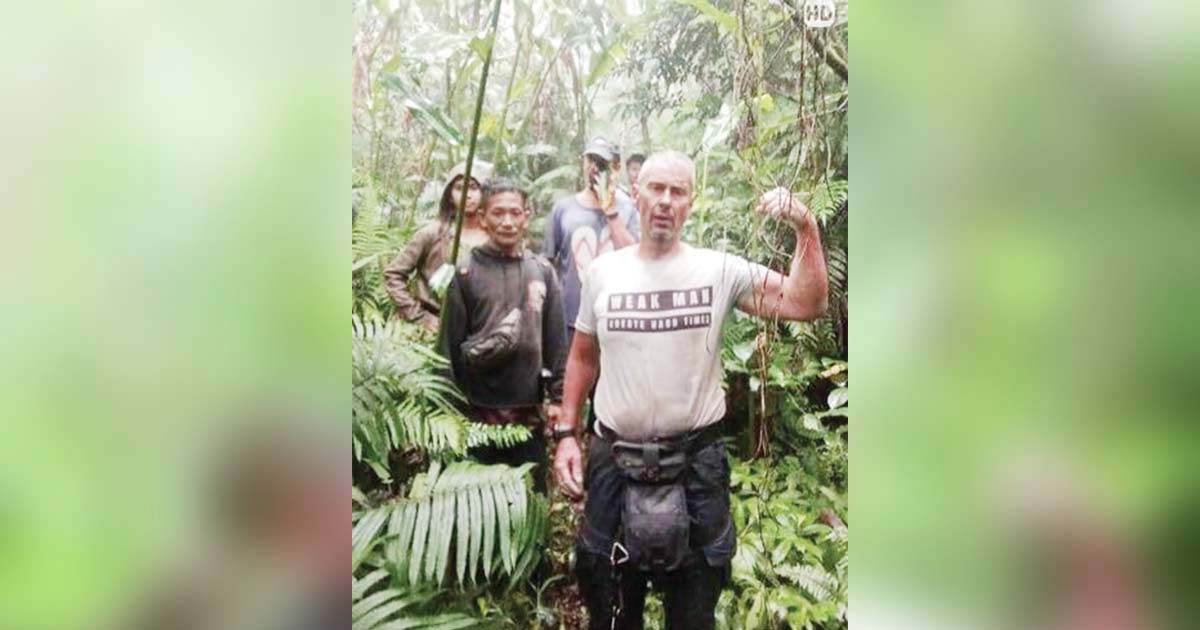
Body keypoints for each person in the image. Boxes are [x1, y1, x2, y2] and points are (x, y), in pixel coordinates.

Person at [548, 151, 829, 629]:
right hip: (615, 459)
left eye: (677, 192)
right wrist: (567, 433)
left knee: (695, 607)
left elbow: (806, 302)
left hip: (695, 465)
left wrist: (806, 228)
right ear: (635, 193)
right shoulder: (603, 273)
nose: (664, 200)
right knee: (609, 599)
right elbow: (582, 356)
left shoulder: (718, 271)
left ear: (690, 204)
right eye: (655, 188)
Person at [441, 178, 568, 490]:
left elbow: (556, 341)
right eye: (498, 213)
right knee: (478, 504)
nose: (508, 222)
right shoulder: (464, 272)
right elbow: (448, 348)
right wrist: (447, 413)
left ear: (527, 216)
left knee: (529, 499)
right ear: (483, 218)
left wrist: (558, 397)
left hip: (528, 416)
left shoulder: (542, 270)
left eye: (515, 213)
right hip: (478, 415)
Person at [542, 138, 640, 343]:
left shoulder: (627, 209)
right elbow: (548, 262)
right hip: (570, 318)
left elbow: (635, 259)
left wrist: (611, 210)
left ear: (614, 168)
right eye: (591, 161)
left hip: (614, 317)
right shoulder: (563, 208)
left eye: (602, 164)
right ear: (584, 163)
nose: (595, 168)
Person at [384, 160, 495, 332]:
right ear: (450, 195)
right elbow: (393, 274)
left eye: (473, 187)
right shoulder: (432, 234)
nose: (467, 194)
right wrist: (419, 316)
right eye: (460, 188)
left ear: (483, 192)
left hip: (479, 330)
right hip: (436, 330)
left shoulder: (493, 237)